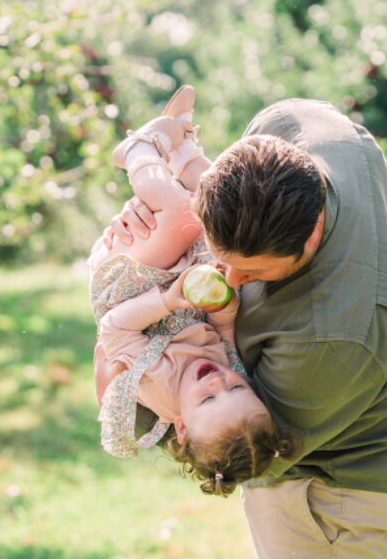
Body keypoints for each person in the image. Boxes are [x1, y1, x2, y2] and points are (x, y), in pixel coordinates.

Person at [102, 94, 387, 559]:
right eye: (224, 260)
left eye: (253, 274)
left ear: (312, 235)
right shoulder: (306, 128)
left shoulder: (328, 340)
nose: (230, 283)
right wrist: (156, 235)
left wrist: (125, 381)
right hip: (312, 490)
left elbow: (242, 446)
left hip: (330, 498)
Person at [88, 87, 298, 496]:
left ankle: (139, 148)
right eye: (236, 389)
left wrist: (169, 299)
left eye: (208, 401)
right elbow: (223, 326)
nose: (218, 383)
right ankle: (183, 144)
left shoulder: (156, 384)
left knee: (184, 215)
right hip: (180, 278)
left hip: (127, 287)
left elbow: (113, 329)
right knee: (225, 217)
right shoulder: (229, 369)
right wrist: (221, 301)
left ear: (181, 428)